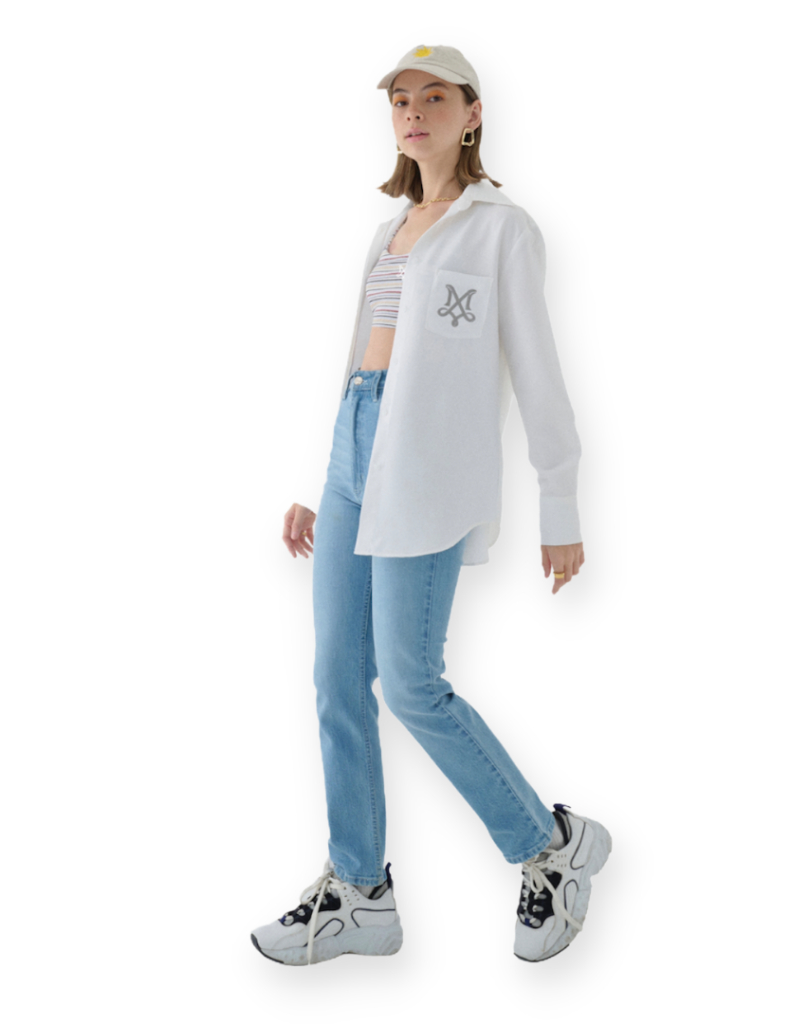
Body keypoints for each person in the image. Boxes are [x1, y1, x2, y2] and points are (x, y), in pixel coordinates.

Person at [250, 44, 611, 967]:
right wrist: (327, 486)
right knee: (337, 678)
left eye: (434, 98)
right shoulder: (392, 229)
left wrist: (560, 504)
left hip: (427, 472)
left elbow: (538, 371)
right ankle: (360, 891)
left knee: (411, 683)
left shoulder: (501, 231)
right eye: (401, 100)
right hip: (355, 454)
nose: (413, 112)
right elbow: (365, 366)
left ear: (472, 114)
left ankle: (551, 846)